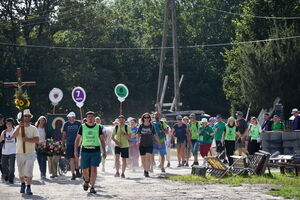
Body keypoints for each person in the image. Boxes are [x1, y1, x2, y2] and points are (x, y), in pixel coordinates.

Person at [74, 111, 106, 194]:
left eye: (92, 116)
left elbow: (102, 140)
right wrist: (75, 150)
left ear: (94, 118)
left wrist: (104, 151)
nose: (90, 118)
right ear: (86, 118)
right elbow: (77, 139)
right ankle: (87, 180)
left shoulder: (98, 127)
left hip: (95, 150)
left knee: (94, 168)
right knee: (85, 169)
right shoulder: (82, 127)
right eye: (89, 116)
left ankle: (92, 187)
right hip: (85, 150)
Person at [12, 109, 39, 195]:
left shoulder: (33, 128)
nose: (27, 117)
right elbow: (13, 136)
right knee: (21, 172)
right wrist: (20, 127)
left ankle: (28, 187)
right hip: (19, 152)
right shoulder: (18, 127)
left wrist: (27, 139)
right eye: (25, 116)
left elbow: (37, 140)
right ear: (22, 117)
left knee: (29, 170)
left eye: (28, 116)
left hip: (30, 153)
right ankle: (23, 184)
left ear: (30, 117)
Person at [137, 113, 161, 177]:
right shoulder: (141, 126)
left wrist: (159, 142)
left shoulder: (151, 126)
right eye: (145, 117)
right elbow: (138, 134)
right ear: (143, 118)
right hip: (142, 144)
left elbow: (155, 135)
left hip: (150, 144)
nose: (146, 119)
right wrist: (137, 141)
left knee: (148, 157)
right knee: (143, 159)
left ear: (149, 118)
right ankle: (145, 170)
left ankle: (146, 171)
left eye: (148, 117)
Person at [62, 112, 82, 180]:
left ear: (74, 117)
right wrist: (63, 144)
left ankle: (77, 170)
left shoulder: (78, 123)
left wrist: (82, 142)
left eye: (71, 117)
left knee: (76, 157)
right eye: (69, 117)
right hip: (69, 143)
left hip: (77, 143)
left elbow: (82, 133)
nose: (70, 118)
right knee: (71, 159)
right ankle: (73, 174)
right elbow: (64, 134)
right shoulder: (66, 124)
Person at [0, 118, 16, 184]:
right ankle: (7, 174)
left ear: (12, 124)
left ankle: (11, 178)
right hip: (5, 150)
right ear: (6, 124)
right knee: (3, 164)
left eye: (10, 124)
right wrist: (3, 135)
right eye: (7, 124)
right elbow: (0, 140)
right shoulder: (4, 131)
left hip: (13, 150)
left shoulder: (15, 131)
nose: (8, 125)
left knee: (12, 166)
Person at [0, 114, 7, 179]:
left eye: (2, 119)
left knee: (4, 160)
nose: (2, 120)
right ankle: (3, 173)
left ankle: (5, 173)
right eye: (1, 119)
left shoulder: (5, 126)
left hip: (5, 144)